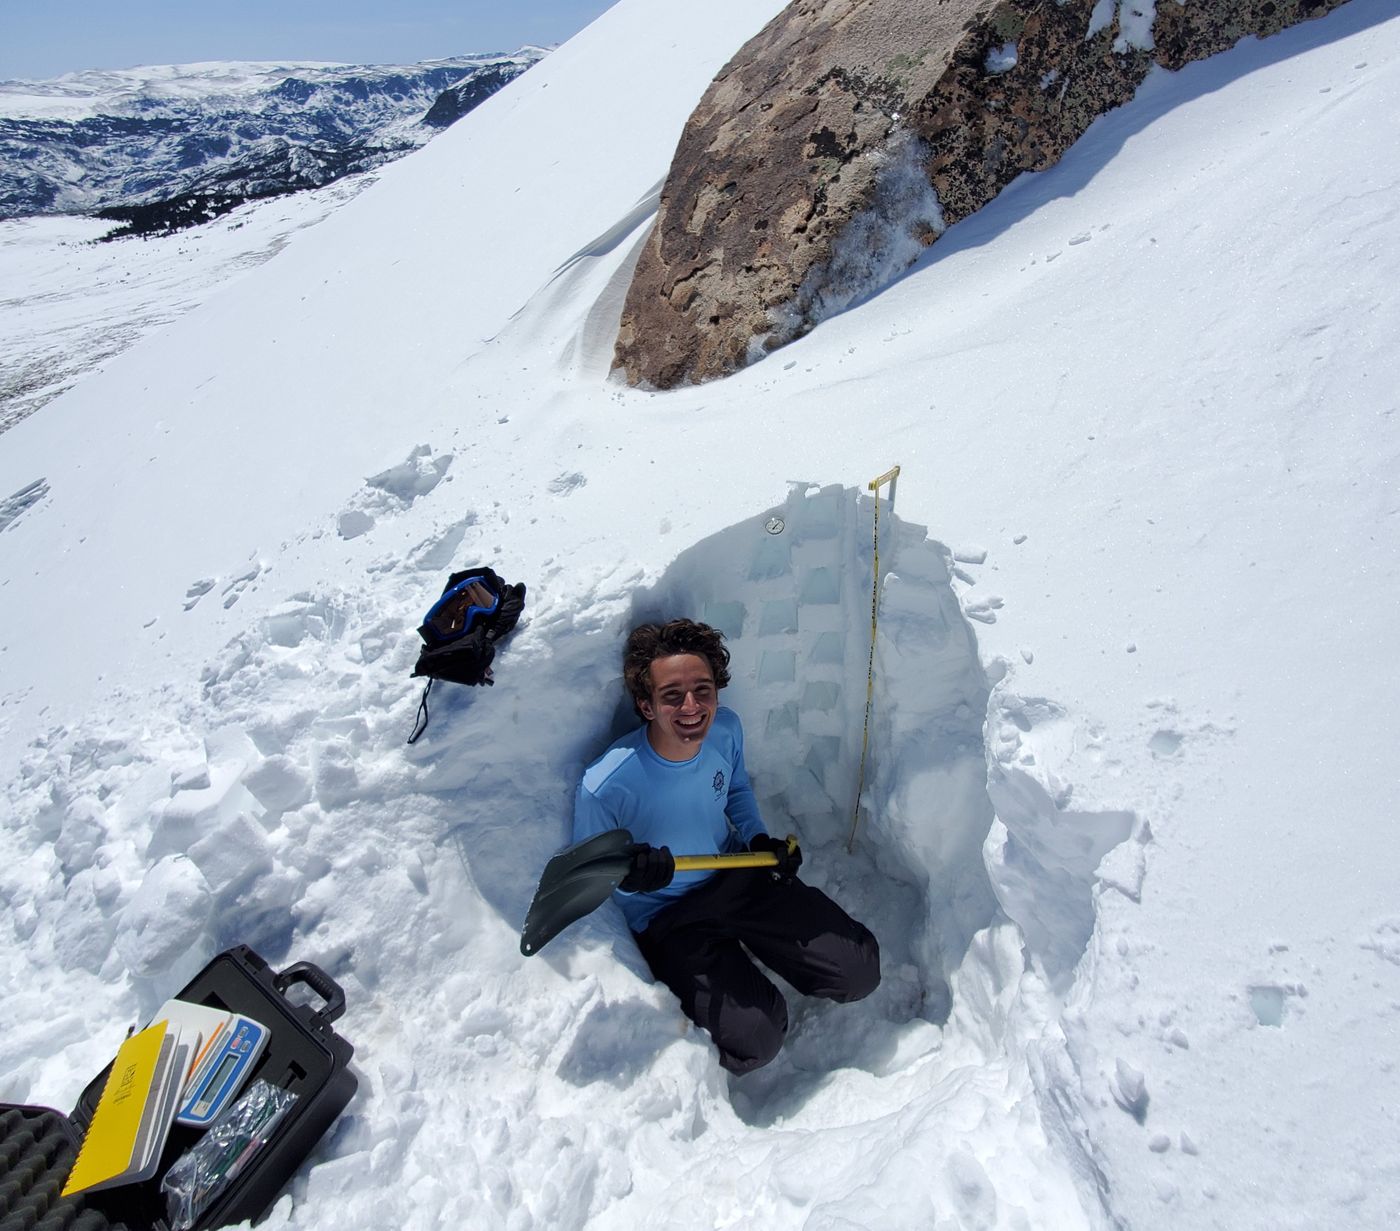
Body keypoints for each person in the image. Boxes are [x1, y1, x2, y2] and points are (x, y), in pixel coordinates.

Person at [573, 618, 880, 1074]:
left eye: (703, 689)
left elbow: (734, 790)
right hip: (672, 920)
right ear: (646, 705)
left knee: (859, 969)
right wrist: (635, 878)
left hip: (737, 871)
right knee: (757, 1039)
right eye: (671, 695)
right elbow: (590, 876)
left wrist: (758, 839)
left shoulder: (726, 730)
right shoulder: (606, 783)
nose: (692, 706)